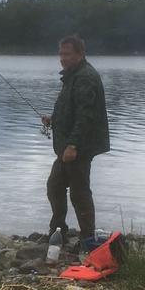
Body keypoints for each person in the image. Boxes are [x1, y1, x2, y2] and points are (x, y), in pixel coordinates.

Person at [41, 35, 110, 249]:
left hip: (79, 148)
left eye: (67, 54)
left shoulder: (85, 77)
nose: (62, 58)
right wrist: (53, 119)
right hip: (68, 147)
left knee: (80, 193)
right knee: (55, 186)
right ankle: (58, 231)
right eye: (60, 53)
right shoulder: (73, 75)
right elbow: (71, 109)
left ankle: (88, 239)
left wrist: (73, 145)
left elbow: (85, 115)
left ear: (80, 54)